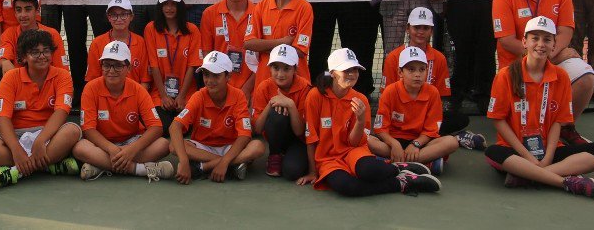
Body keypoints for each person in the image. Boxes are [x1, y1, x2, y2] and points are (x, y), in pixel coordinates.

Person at [485, 17, 594, 198]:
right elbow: (498, 120)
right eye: (535, 38)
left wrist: (546, 158)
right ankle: (564, 181)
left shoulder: (561, 77)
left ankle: (530, 176)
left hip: (549, 151)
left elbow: (558, 123)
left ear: (554, 45)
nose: (540, 44)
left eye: (547, 39)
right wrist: (528, 157)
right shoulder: (506, 75)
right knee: (493, 152)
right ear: (524, 42)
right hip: (517, 151)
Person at [493, 0, 594, 145]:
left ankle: (565, 127)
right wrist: (543, 55)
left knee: (586, 78)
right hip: (518, 63)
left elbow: (565, 31)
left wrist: (548, 56)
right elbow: (506, 40)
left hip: (552, 57)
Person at [296, 48, 441, 196]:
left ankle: (399, 168)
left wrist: (360, 120)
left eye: (355, 69)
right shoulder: (315, 96)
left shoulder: (361, 100)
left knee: (369, 171)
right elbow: (311, 138)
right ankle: (402, 182)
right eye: (346, 70)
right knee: (347, 187)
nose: (352, 74)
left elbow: (354, 143)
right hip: (327, 159)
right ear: (332, 72)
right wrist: (313, 172)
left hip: (353, 151)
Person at [0, 30, 82, 190]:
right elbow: (2, 118)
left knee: (72, 131)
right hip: (17, 134)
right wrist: (16, 149)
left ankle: (15, 172)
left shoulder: (63, 76)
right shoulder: (10, 78)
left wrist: (41, 140)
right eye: (35, 52)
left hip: (49, 134)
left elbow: (61, 112)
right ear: (23, 57)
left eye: (46, 51)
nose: (42, 56)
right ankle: (49, 166)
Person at [381, 7, 485, 150]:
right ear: (407, 28)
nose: (421, 32)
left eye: (426, 28)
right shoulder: (393, 58)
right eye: (416, 27)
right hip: (399, 117)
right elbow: (386, 96)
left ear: (432, 30)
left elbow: (441, 97)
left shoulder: (439, 58)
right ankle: (448, 140)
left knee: (460, 119)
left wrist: (426, 116)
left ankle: (426, 140)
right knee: (377, 136)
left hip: (427, 114)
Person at [74, 40, 173, 182]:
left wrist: (131, 150)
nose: (111, 70)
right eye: (106, 65)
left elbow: (156, 127)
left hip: (132, 141)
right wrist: (111, 149)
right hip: (102, 144)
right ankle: (138, 170)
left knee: (163, 144)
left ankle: (100, 166)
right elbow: (88, 129)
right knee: (79, 147)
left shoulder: (138, 90)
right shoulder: (90, 88)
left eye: (118, 65)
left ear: (129, 67)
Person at [170, 51, 264, 184]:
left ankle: (204, 167)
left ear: (228, 76)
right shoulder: (199, 96)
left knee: (258, 146)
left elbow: (245, 135)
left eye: (216, 75)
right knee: (173, 146)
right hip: (203, 146)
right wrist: (184, 161)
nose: (209, 80)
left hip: (230, 146)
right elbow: (175, 126)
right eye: (206, 75)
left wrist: (224, 162)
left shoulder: (238, 96)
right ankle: (233, 165)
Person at [369, 47, 460, 175]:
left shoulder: (433, 93)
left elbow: (432, 130)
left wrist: (416, 144)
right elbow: (380, 128)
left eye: (422, 69)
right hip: (392, 142)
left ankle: (395, 163)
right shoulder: (390, 91)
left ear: (426, 71)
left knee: (452, 142)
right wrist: (395, 144)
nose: (417, 74)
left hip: (421, 143)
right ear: (400, 72)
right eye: (411, 69)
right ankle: (423, 163)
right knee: (366, 139)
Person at [244, 0, 313, 83]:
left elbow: (300, 51)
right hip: (265, 80)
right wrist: (284, 42)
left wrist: (263, 46)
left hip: (296, 83)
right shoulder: (261, 6)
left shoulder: (304, 8)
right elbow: (249, 43)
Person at [145, 0, 202, 135]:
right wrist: (163, 96)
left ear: (180, 6)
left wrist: (182, 97)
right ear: (160, 6)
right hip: (160, 93)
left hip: (186, 94)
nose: (169, 8)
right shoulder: (151, 28)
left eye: (173, 4)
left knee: (184, 129)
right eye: (165, 4)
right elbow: (154, 64)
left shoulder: (193, 30)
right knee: (162, 128)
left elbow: (193, 66)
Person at [251, 44, 313, 180]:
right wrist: (271, 103)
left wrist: (290, 105)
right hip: (275, 137)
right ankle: (274, 154)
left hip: (298, 140)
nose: (280, 74)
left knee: (292, 172)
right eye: (276, 68)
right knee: (276, 113)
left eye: (286, 69)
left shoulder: (305, 88)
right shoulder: (264, 87)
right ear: (270, 68)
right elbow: (257, 128)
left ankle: (291, 157)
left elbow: (300, 132)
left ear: (295, 69)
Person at [200, 0, 258, 98]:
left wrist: (247, 89)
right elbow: (207, 54)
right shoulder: (209, 14)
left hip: (252, 87)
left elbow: (264, 58)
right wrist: (218, 85)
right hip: (219, 86)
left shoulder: (259, 13)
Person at [0, 0, 68, 74]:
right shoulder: (9, 34)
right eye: (19, 10)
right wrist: (5, 61)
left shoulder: (52, 34)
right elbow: (4, 60)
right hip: (19, 84)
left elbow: (62, 70)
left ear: (37, 10)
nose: (23, 15)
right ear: (15, 13)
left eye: (28, 9)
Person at [86, 0, 151, 87]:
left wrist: (135, 100)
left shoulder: (141, 42)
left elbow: (145, 81)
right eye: (114, 15)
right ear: (109, 17)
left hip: (134, 97)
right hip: (105, 97)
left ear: (131, 17)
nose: (119, 19)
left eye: (124, 14)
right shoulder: (97, 43)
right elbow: (92, 81)